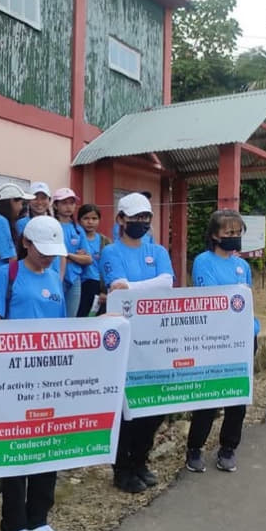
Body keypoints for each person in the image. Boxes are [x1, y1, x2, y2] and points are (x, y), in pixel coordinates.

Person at [0, 216, 69, 531]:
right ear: (26, 244)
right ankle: (13, 525)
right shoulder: (8, 274)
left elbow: (62, 328)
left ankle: (39, 519)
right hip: (14, 377)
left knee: (48, 447)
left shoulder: (54, 277)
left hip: (48, 378)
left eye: (53, 252)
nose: (48, 257)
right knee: (17, 450)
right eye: (43, 250)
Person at [100, 192, 174, 493]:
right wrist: (138, 287)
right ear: (121, 219)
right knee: (125, 408)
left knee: (154, 405)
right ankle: (122, 468)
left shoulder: (158, 251)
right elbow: (117, 290)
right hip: (124, 340)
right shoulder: (110, 252)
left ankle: (141, 460)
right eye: (135, 217)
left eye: (146, 217)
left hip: (155, 337)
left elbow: (167, 283)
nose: (142, 223)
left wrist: (131, 285)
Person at [185, 210, 259, 473]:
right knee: (209, 395)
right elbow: (213, 298)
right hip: (215, 338)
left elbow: (245, 299)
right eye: (229, 232)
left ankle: (228, 448)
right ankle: (194, 448)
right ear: (215, 235)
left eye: (237, 232)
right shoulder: (203, 261)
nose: (234, 237)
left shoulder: (242, 266)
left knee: (238, 396)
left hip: (244, 337)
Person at [52, 188, 91, 317]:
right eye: (64, 203)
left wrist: (68, 255)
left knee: (71, 317)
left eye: (72, 203)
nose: (68, 207)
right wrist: (76, 256)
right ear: (55, 205)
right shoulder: (50, 225)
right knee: (53, 315)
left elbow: (88, 259)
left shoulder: (78, 230)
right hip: (53, 276)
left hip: (74, 278)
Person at [76, 203, 109, 317]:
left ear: (99, 220)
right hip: (79, 284)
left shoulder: (105, 241)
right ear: (79, 220)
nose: (90, 222)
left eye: (94, 218)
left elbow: (108, 268)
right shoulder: (75, 239)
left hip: (97, 285)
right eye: (86, 218)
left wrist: (105, 291)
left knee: (93, 317)